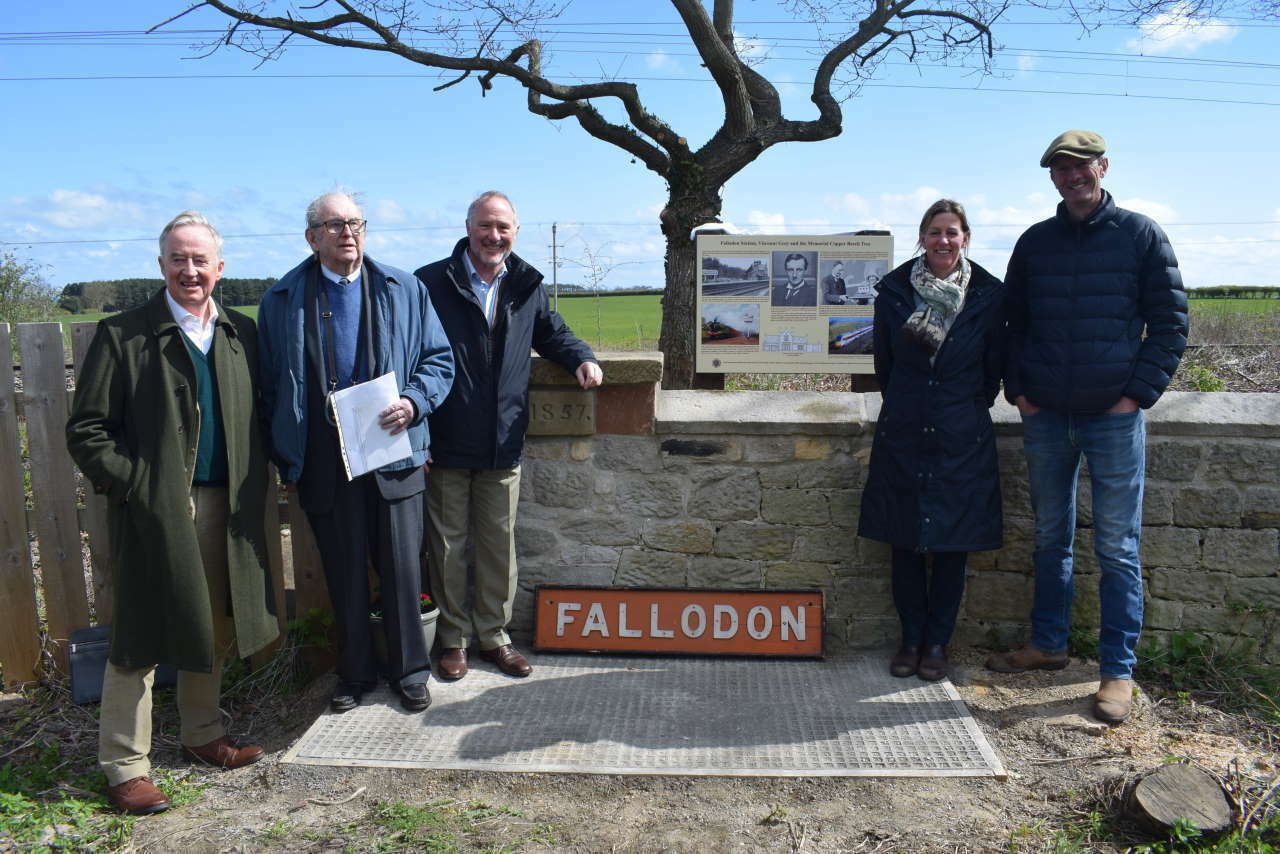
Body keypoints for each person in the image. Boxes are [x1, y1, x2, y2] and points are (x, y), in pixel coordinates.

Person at [67, 211, 279, 815]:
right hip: (156, 507)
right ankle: (124, 765)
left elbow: (260, 414)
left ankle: (202, 734)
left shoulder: (241, 332)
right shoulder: (125, 334)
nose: (190, 270)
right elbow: (87, 430)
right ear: (161, 266)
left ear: (220, 268)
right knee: (138, 634)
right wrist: (137, 485)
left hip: (227, 504)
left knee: (210, 623)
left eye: (200, 260)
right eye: (178, 259)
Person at [986, 131, 1187, 724]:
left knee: (1117, 547)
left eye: (1081, 167)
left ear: (1103, 167)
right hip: (1046, 414)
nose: (1071, 177)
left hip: (1112, 418)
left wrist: (1135, 397)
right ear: (1052, 177)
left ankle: (1116, 671)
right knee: (1051, 538)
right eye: (1060, 169)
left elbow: (1170, 324)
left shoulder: (1142, 234)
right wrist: (1018, 392)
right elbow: (1011, 325)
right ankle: (1048, 645)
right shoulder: (1035, 242)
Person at [258, 191, 454, 714]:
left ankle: (411, 671)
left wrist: (414, 402)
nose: (348, 232)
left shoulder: (404, 288)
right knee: (343, 574)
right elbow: (271, 386)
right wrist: (286, 454)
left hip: (396, 449)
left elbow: (439, 360)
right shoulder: (281, 299)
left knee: (402, 570)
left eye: (356, 223)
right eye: (335, 224)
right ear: (312, 237)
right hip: (324, 456)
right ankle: (355, 674)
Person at [416, 191, 602, 681]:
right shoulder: (430, 282)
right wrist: (418, 435)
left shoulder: (525, 284)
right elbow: (405, 356)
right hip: (446, 439)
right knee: (449, 548)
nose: (493, 236)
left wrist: (582, 356)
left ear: (515, 231)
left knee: (500, 546)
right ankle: (452, 641)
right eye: (485, 226)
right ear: (468, 226)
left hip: (503, 441)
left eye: (502, 227)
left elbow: (552, 331)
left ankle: (495, 638)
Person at [858, 200, 1006, 682]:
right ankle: (910, 639)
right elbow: (886, 364)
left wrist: (957, 407)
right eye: (935, 232)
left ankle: (938, 644)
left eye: (953, 232)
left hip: (961, 436)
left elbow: (992, 373)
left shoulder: (988, 295)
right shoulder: (895, 292)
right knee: (903, 542)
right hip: (904, 429)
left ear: (966, 238)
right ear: (921, 237)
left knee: (951, 545)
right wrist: (912, 403)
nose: (944, 241)